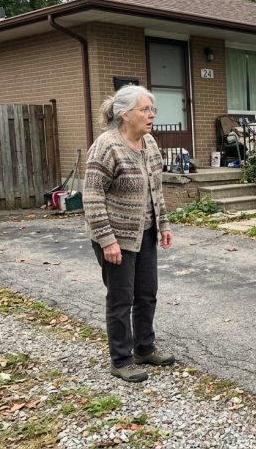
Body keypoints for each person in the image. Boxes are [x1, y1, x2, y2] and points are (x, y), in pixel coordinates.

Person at [83, 85, 175, 383]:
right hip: (116, 238)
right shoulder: (106, 146)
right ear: (124, 114)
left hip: (145, 233)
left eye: (152, 109)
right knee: (121, 299)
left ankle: (144, 348)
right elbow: (92, 196)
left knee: (147, 294)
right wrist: (107, 240)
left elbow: (156, 190)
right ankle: (121, 360)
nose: (151, 115)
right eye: (145, 109)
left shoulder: (149, 143)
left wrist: (163, 225)